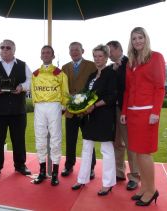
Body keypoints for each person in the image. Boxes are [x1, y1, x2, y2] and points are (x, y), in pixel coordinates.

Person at [120, 27, 165, 206]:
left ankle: (152, 189)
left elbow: (160, 87)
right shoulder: (131, 62)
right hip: (133, 113)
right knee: (137, 153)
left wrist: (155, 112)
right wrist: (124, 111)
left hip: (147, 113)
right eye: (134, 38)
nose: (137, 41)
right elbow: (128, 90)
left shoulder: (156, 57)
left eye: (140, 37)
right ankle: (145, 187)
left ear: (146, 39)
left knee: (145, 154)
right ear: (131, 42)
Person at [72, 44, 117, 196]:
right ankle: (82, 179)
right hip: (89, 117)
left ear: (106, 57)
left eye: (100, 56)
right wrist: (81, 106)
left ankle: (108, 183)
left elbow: (111, 97)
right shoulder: (92, 75)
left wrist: (94, 106)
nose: (97, 59)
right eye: (95, 56)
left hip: (104, 116)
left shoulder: (111, 74)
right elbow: (85, 95)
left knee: (106, 150)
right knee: (86, 148)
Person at [0, 39, 32, 180]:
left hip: (17, 110)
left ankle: (20, 165)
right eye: (2, 47)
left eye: (8, 47)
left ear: (14, 50)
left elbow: (31, 81)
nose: (5, 50)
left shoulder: (23, 65)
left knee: (19, 139)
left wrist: (22, 87)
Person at [31, 45, 69, 186]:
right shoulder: (35, 74)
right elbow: (33, 93)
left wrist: (64, 106)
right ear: (40, 56)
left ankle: (54, 173)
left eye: (48, 53)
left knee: (55, 138)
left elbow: (65, 91)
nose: (46, 55)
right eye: (43, 53)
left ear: (53, 56)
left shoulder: (60, 73)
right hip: (40, 106)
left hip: (54, 105)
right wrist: (36, 105)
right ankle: (41, 171)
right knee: (39, 137)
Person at [107, 40, 139, 190]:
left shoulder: (130, 63)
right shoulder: (111, 67)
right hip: (113, 109)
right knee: (117, 142)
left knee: (130, 143)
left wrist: (116, 70)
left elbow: (128, 86)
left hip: (126, 108)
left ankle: (134, 176)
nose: (108, 54)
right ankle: (119, 172)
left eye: (110, 51)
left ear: (119, 49)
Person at [61, 42, 96, 179]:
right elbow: (62, 89)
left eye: (77, 50)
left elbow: (95, 87)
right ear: (69, 52)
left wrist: (88, 102)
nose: (74, 52)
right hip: (70, 111)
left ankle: (91, 168)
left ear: (83, 50)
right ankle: (69, 165)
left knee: (88, 139)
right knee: (70, 140)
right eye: (72, 50)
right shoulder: (64, 67)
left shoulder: (92, 66)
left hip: (86, 110)